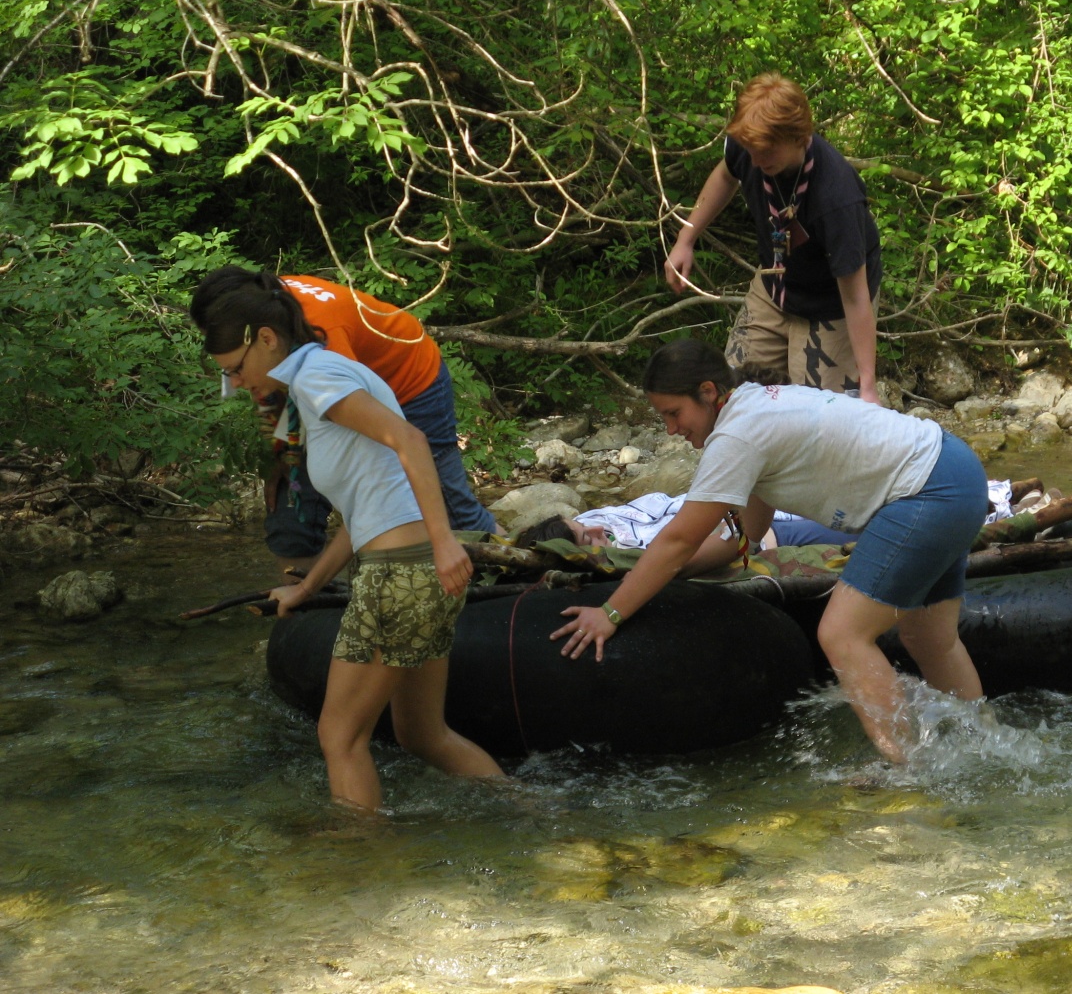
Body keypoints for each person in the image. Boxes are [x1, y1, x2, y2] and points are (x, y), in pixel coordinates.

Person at [548, 340, 990, 762]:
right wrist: (675, 575)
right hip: (958, 471)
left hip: (927, 493)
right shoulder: (756, 405)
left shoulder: (737, 435)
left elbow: (678, 539)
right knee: (928, 637)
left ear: (708, 392)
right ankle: (984, 746)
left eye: (674, 413)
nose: (671, 428)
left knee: (841, 634)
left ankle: (905, 771)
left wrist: (609, 613)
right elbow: (748, 535)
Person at [200, 272, 504, 811]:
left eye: (236, 370)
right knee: (422, 737)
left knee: (338, 739)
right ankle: (530, 813)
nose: (238, 384)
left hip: (401, 575)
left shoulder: (318, 378)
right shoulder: (325, 375)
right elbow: (363, 514)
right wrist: (308, 587)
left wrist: (445, 544)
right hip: (414, 575)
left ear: (266, 339)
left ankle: (362, 869)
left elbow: (410, 440)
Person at [191, 266, 496, 562]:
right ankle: (304, 597)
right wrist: (283, 455)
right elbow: (263, 386)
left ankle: (510, 564)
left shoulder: (320, 339)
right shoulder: (256, 315)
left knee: (449, 506)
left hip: (412, 381)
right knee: (293, 507)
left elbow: (364, 426)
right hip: (346, 390)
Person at [664, 74, 881, 402]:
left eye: (765, 152)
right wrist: (686, 238)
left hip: (831, 303)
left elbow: (855, 297)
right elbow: (726, 175)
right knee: (734, 394)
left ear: (798, 137)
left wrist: (867, 385)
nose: (754, 161)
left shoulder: (837, 197)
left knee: (819, 416)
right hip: (775, 281)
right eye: (750, 150)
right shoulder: (749, 144)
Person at [519, 479, 1020, 552]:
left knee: (852, 494)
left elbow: (660, 500)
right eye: (586, 538)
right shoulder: (617, 559)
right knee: (862, 521)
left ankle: (1000, 494)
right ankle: (991, 516)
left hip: (738, 506)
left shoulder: (602, 516)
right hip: (752, 533)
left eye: (584, 527)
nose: (595, 532)